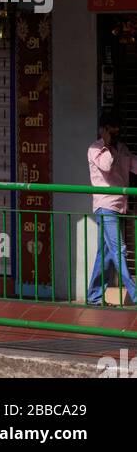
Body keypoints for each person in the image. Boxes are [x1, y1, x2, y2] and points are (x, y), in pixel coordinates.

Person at [87, 110, 137, 307]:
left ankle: (94, 297)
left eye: (117, 129)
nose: (115, 133)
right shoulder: (95, 149)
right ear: (103, 130)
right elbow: (106, 167)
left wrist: (116, 146)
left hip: (120, 207)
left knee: (106, 254)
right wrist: (107, 144)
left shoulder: (122, 148)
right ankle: (135, 295)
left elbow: (134, 165)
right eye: (111, 129)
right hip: (106, 207)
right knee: (119, 250)